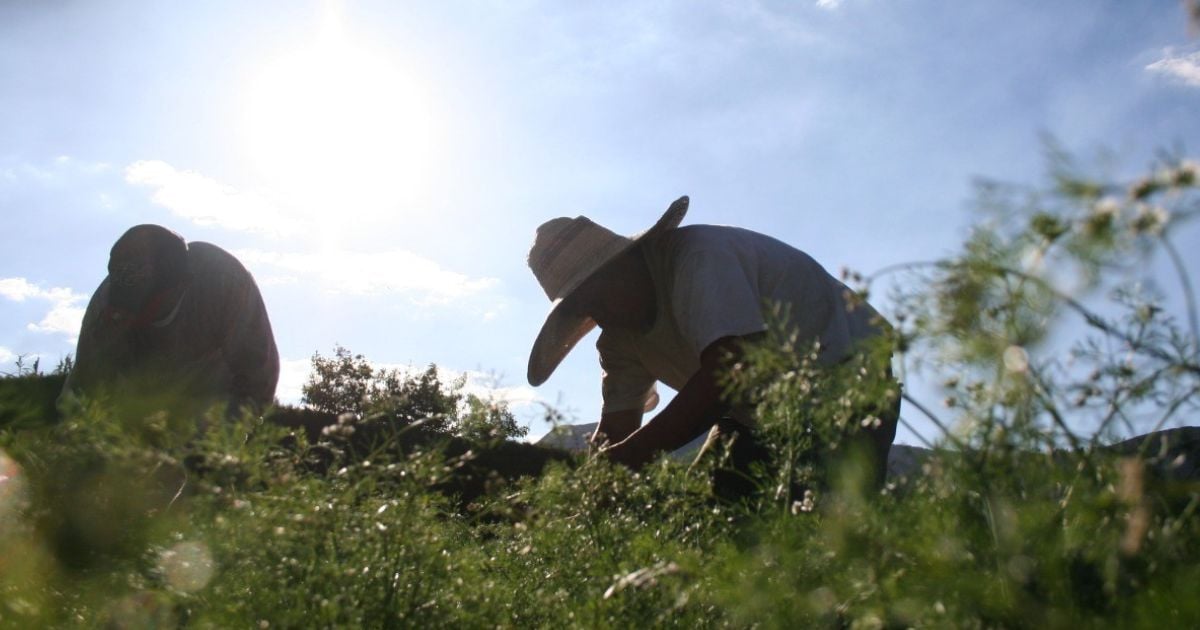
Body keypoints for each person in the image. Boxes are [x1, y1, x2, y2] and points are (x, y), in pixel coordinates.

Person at [526, 196, 899, 497]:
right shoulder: (619, 341)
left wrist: (629, 457)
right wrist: (585, 485)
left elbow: (728, 372)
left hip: (848, 382)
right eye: (583, 305)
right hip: (757, 412)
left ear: (624, 263)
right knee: (714, 517)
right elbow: (617, 429)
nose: (598, 311)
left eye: (597, 293)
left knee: (832, 525)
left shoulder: (698, 259)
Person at [60, 225, 280, 416]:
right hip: (142, 393)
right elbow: (83, 387)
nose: (136, 316)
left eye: (146, 302)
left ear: (179, 286)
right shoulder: (105, 305)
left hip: (214, 392)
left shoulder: (224, 282)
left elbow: (258, 373)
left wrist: (224, 444)